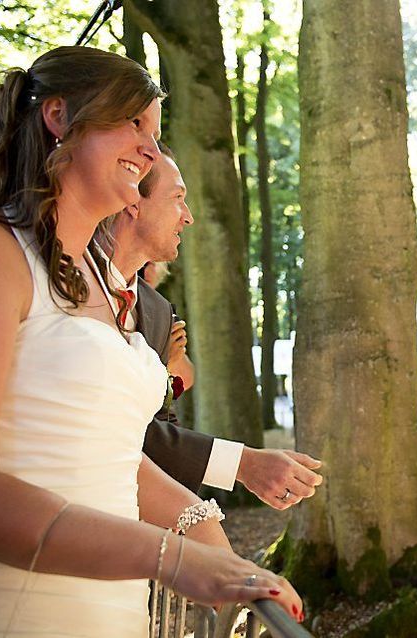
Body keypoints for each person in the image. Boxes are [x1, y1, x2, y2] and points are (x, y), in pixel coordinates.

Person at [0, 47, 302, 636]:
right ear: (59, 117)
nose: (151, 149)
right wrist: (173, 559)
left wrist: (204, 532)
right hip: (8, 611)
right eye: (134, 123)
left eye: (156, 134)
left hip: (112, 611)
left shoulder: (97, 279)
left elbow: (104, 450)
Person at [99, 144, 323, 509]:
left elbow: (157, 428)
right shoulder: (62, 284)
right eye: (177, 198)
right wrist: (243, 463)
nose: (188, 217)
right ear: (133, 202)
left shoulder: (156, 310)